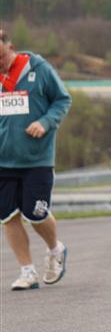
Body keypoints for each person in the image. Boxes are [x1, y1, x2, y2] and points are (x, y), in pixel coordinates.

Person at [0, 30, 71, 290]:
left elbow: (62, 100)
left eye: (1, 57)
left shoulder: (38, 70)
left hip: (36, 159)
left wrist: (45, 122)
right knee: (8, 216)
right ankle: (27, 271)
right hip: (3, 161)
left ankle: (55, 249)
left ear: (10, 47)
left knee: (36, 214)